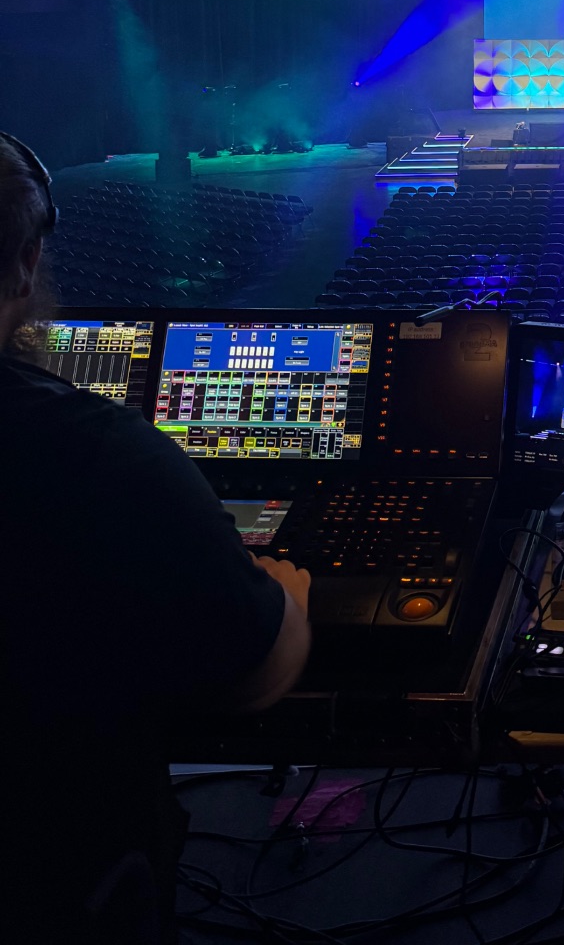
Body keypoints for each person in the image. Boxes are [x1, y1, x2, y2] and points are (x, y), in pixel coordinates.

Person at [0, 132, 313, 941]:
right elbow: (254, 675)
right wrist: (287, 598)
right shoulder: (96, 452)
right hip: (54, 884)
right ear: (27, 263)